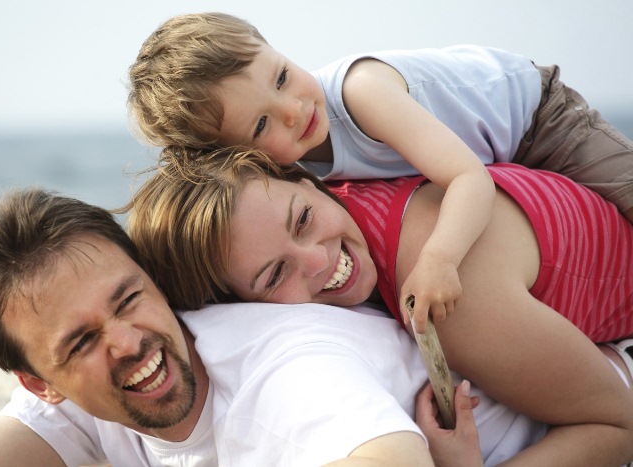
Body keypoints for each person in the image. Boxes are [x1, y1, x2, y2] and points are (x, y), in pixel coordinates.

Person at [0, 187, 559, 467]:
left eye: (129, 297)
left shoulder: (287, 368)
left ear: (152, 280)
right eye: (81, 341)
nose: (127, 339)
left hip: (559, 418)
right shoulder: (87, 395)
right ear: (40, 381)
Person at [128, 11, 633, 334]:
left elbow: (468, 180)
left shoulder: (361, 95)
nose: (291, 109)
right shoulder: (294, 166)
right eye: (261, 123)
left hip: (536, 116)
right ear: (239, 157)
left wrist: (438, 258)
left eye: (281, 76)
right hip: (488, 152)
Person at [125, 146, 633, 466]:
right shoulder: (349, 196)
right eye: (275, 274)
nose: (318, 259)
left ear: (306, 182)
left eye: (302, 220)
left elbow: (619, 425)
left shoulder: (450, 296)